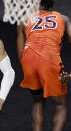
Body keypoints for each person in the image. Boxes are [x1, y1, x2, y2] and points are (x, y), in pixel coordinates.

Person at [17, 0, 71, 130]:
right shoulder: (63, 18)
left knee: (38, 100)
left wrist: (27, 67)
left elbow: (20, 49)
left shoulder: (24, 19)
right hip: (49, 61)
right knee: (60, 106)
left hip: (28, 60)